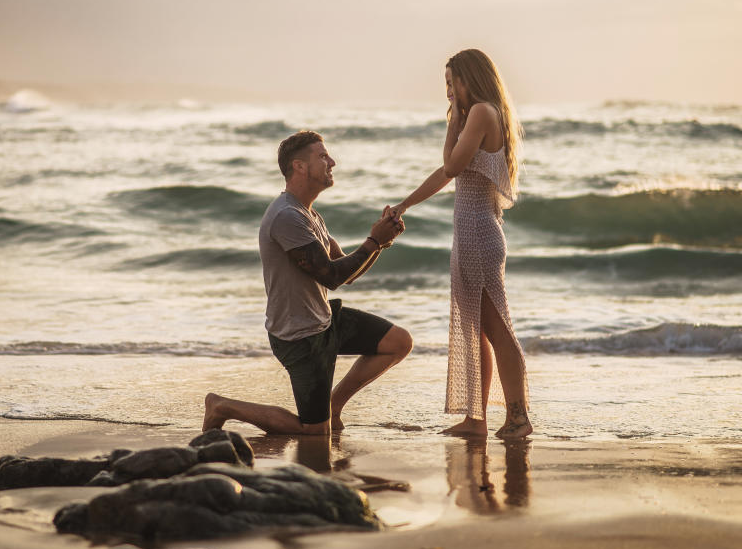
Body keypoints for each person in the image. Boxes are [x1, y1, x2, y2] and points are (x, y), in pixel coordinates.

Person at [203, 130, 412, 435]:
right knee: (314, 433)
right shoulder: (287, 216)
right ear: (299, 166)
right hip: (299, 337)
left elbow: (347, 272)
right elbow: (331, 276)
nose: (333, 162)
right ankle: (223, 406)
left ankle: (333, 406)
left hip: (324, 321)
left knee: (399, 342)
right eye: (323, 156)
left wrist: (381, 241)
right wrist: (373, 241)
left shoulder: (309, 213)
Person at [390, 49, 532, 439]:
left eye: (453, 83)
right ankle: (476, 419)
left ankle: (519, 417)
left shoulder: (483, 112)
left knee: (497, 329)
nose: (449, 92)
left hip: (480, 236)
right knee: (477, 330)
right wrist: (405, 204)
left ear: (472, 79)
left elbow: (452, 166)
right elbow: (446, 173)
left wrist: (453, 121)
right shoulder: (475, 115)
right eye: (446, 85)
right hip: (468, 235)